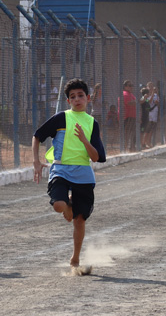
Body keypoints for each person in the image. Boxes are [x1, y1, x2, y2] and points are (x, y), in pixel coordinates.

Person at [32, 78, 106, 274]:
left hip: (83, 173)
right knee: (58, 206)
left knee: (79, 220)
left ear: (88, 98)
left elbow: (97, 157)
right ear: (68, 101)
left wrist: (84, 140)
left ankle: (75, 259)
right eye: (72, 97)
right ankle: (67, 204)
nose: (77, 99)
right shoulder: (61, 118)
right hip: (61, 171)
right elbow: (37, 135)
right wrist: (36, 162)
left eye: (80, 95)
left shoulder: (92, 123)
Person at [121, 80, 137, 151]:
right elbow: (129, 103)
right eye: (129, 86)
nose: (131, 87)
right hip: (127, 116)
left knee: (132, 133)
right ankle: (125, 148)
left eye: (132, 85)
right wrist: (138, 101)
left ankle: (131, 147)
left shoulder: (131, 94)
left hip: (132, 116)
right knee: (127, 133)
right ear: (125, 87)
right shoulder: (125, 93)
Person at [143, 81, 159, 147]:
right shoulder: (145, 95)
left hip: (154, 114)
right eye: (149, 87)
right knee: (147, 130)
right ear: (147, 87)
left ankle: (148, 142)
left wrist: (157, 102)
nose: (151, 88)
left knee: (151, 130)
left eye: (152, 86)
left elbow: (157, 103)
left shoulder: (156, 95)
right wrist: (152, 94)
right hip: (148, 114)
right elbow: (148, 102)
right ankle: (143, 142)